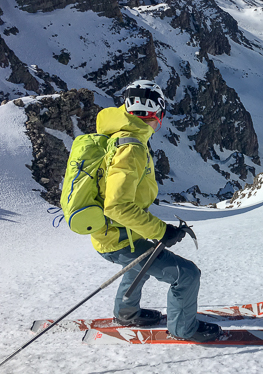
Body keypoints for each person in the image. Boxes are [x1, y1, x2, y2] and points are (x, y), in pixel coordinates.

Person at [92, 79, 221, 342]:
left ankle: (125, 313)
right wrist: (161, 231)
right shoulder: (131, 148)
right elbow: (117, 206)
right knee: (186, 275)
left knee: (141, 261)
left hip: (115, 234)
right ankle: (183, 329)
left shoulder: (121, 137)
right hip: (118, 238)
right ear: (158, 114)